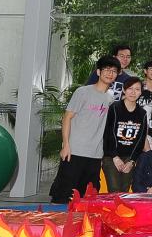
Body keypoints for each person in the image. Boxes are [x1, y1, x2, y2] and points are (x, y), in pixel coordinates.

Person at [50, 55, 120, 203]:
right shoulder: (83, 92)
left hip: (94, 155)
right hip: (74, 151)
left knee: (86, 198)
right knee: (64, 195)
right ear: (98, 72)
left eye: (114, 71)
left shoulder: (110, 99)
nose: (110, 73)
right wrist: (66, 145)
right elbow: (67, 117)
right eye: (107, 69)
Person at [102, 76, 148, 193]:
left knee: (125, 191)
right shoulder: (115, 108)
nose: (133, 92)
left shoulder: (142, 113)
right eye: (130, 88)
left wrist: (132, 161)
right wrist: (115, 157)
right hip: (111, 156)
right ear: (124, 90)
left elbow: (140, 139)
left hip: (129, 157)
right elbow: (109, 133)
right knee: (114, 190)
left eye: (137, 89)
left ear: (141, 92)